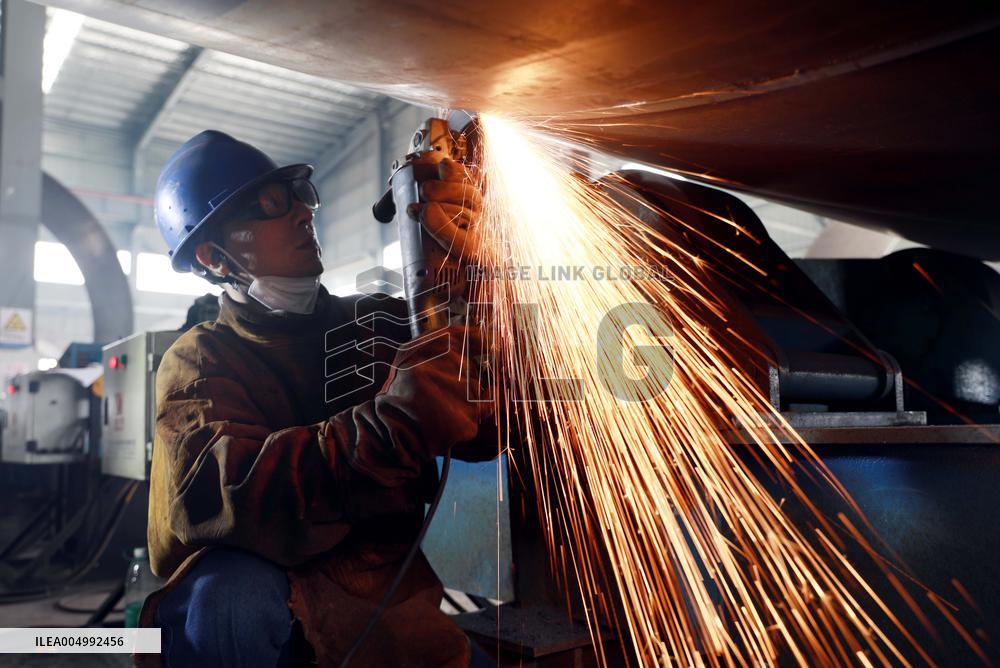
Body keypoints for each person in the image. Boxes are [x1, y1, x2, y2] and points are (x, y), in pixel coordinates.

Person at [139, 130, 493, 667]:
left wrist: (467, 276)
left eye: (298, 196)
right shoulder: (199, 360)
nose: (303, 214)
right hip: (263, 609)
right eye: (270, 205)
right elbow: (235, 491)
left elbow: (484, 421)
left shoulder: (373, 324)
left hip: (384, 602)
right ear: (213, 257)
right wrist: (390, 427)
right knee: (227, 599)